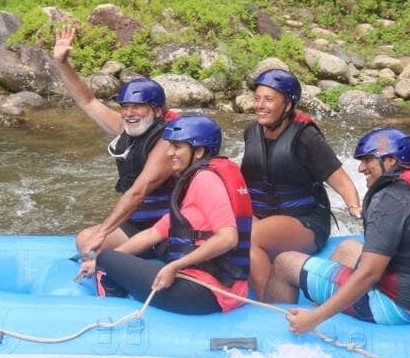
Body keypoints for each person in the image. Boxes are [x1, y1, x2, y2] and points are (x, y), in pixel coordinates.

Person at [266, 128, 410, 334]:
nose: (361, 168)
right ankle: (332, 308)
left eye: (368, 160)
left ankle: (272, 332)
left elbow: (370, 274)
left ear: (390, 160)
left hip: (396, 308)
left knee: (284, 262)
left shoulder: (389, 198)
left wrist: (315, 319)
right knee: (347, 248)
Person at [78, 114, 253, 315]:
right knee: (108, 257)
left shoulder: (205, 180)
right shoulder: (195, 179)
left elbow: (228, 238)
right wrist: (98, 259)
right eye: (170, 146)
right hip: (214, 288)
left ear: (199, 151)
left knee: (107, 259)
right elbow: (153, 233)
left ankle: (113, 308)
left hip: (205, 293)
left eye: (177, 147)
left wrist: (176, 265)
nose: (169, 153)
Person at [52, 24, 177, 258]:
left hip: (165, 229)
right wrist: (62, 63)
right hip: (136, 224)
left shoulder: (169, 142)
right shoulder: (125, 128)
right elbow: (88, 101)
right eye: (125, 107)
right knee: (84, 240)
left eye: (137, 107)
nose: (129, 113)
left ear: (157, 111)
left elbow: (138, 192)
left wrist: (104, 232)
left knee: (95, 242)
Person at [240, 69, 361, 300]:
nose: (260, 105)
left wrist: (356, 211)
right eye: (257, 98)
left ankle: (274, 300)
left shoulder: (306, 137)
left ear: (287, 105)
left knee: (249, 237)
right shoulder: (251, 132)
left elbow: (344, 183)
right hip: (262, 218)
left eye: (269, 99)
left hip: (304, 221)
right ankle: (268, 293)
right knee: (232, 234)